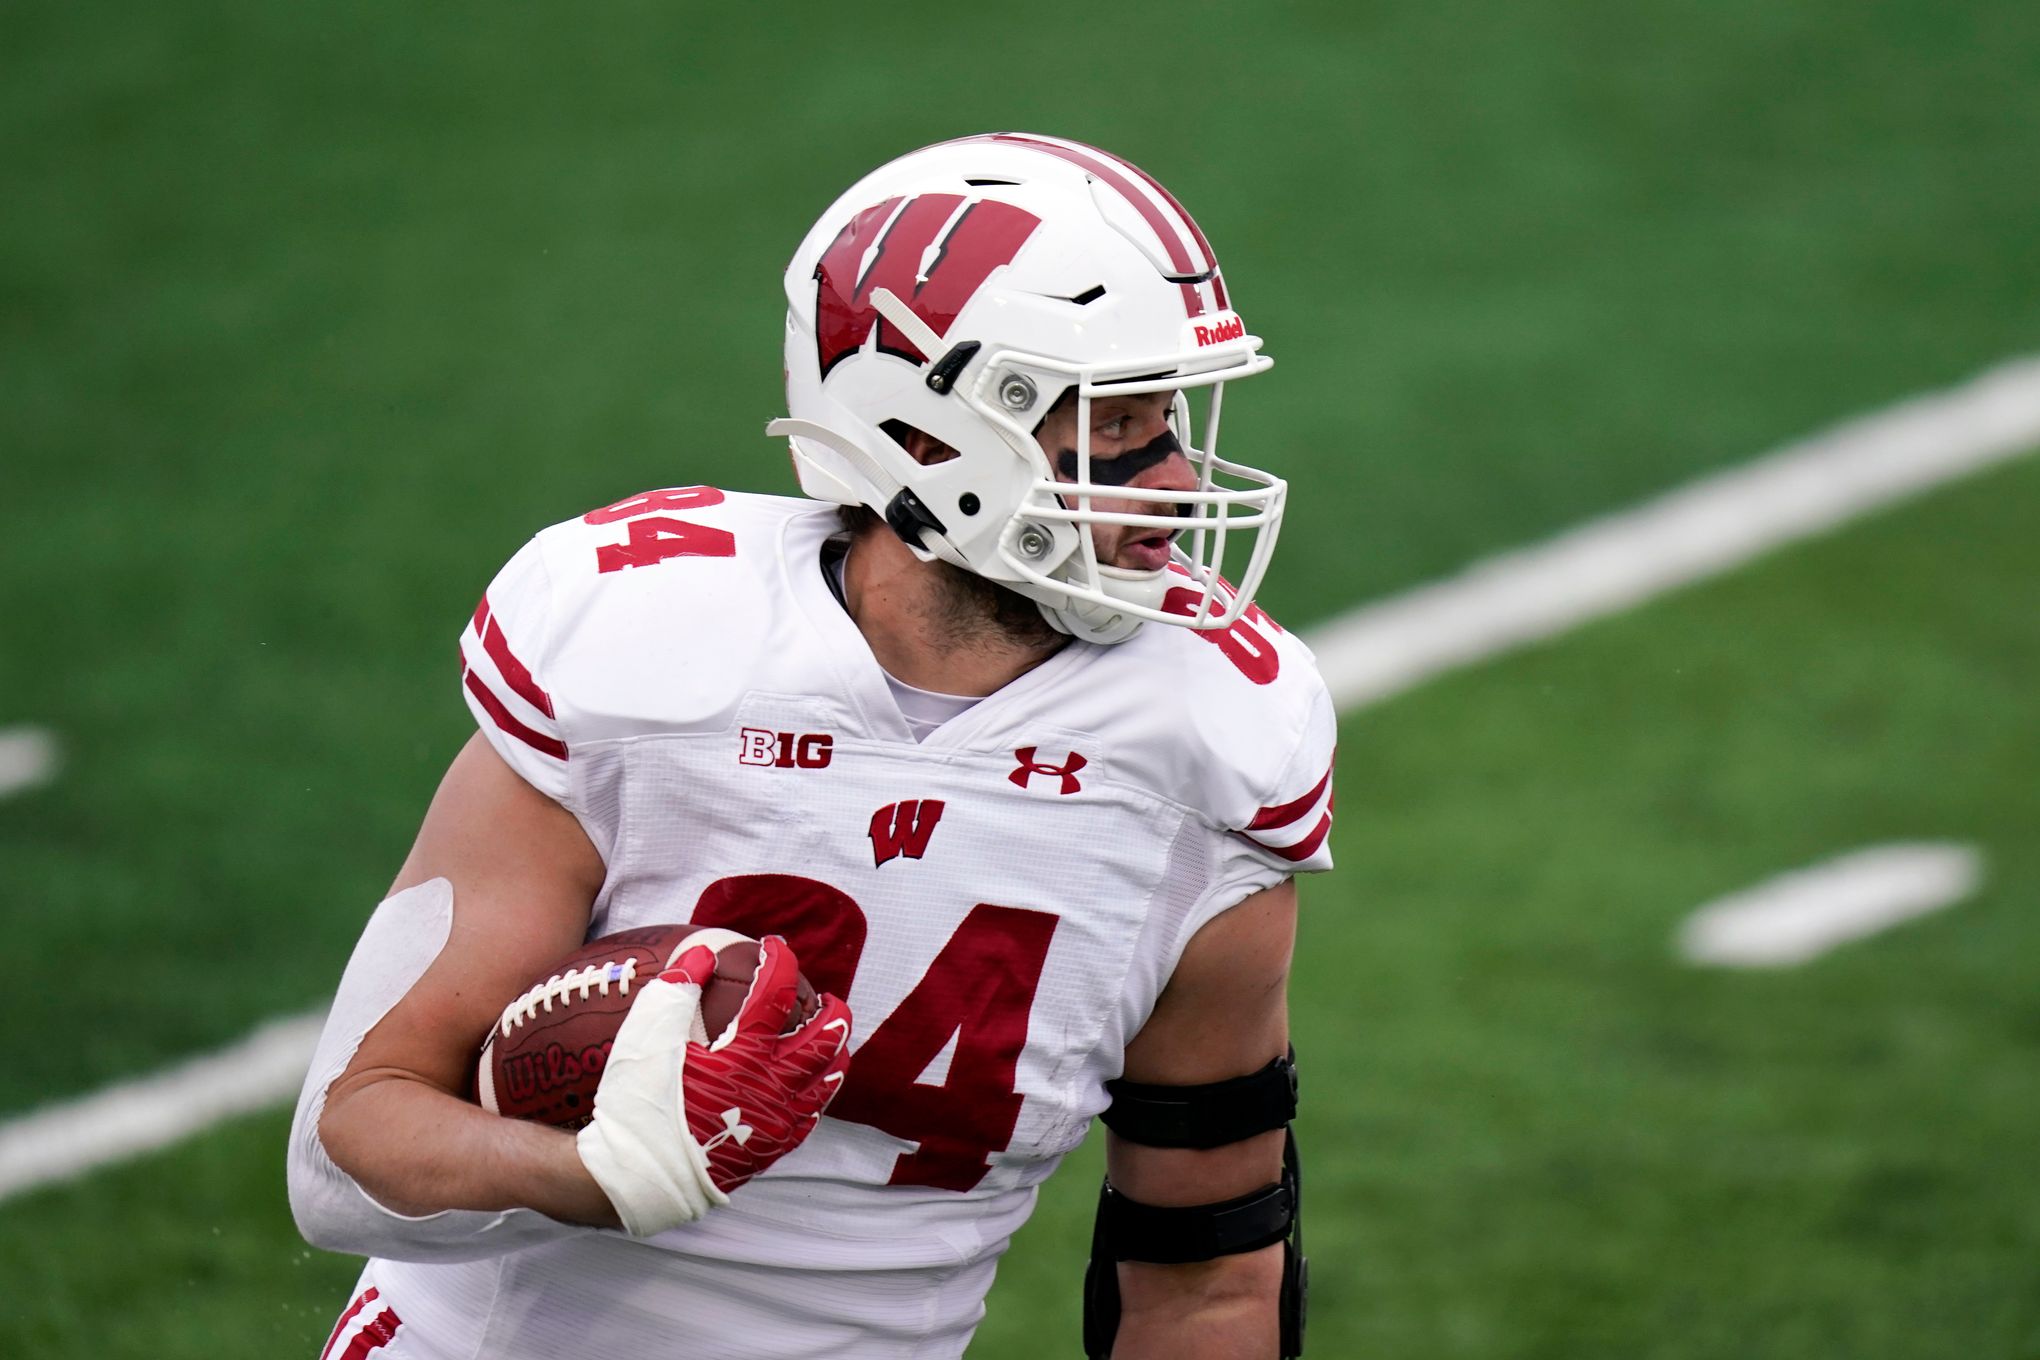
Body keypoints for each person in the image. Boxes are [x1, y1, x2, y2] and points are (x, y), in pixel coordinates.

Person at [289, 131, 1336, 1360]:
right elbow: (351, 1151)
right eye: (1117, 422)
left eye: (1173, 415)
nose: (1169, 480)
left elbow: (1207, 1267)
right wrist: (601, 1170)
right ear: (929, 431)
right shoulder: (650, 647)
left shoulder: (1208, 741)